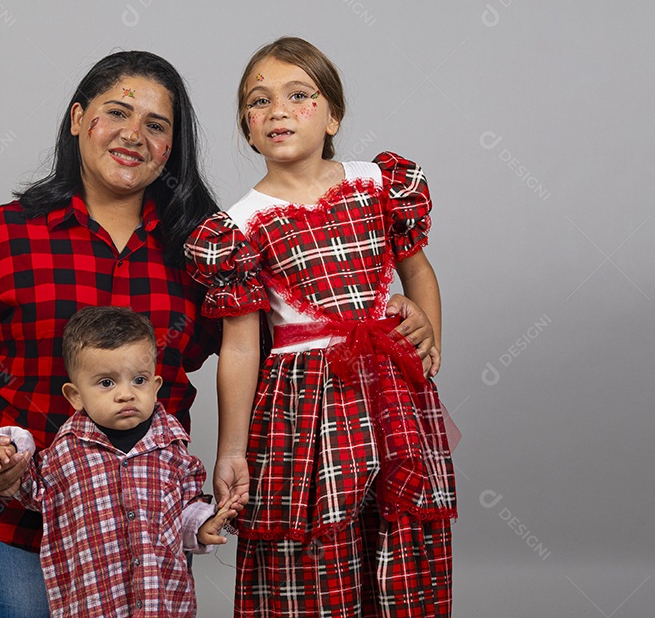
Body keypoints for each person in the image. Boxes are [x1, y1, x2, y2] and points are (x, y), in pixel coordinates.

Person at [0, 49, 437, 618]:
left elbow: (268, 346)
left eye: (155, 125)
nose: (132, 135)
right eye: (116, 112)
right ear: (76, 119)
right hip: (21, 526)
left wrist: (391, 314)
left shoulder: (198, 249)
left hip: (151, 535)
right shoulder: (4, 237)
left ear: (171, 149)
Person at [184, 37, 458, 617]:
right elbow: (238, 347)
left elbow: (417, 270)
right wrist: (232, 449)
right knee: (311, 547)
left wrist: (427, 327)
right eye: (258, 103)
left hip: (390, 395)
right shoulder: (239, 226)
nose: (277, 110)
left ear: (332, 115)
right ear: (248, 131)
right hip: (302, 406)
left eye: (298, 95)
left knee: (398, 531)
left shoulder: (381, 185)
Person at [0, 306, 241, 618]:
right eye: (106, 383)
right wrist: (8, 451)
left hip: (160, 601)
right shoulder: (66, 452)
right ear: (75, 395)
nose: (125, 394)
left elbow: (182, 508)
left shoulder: (173, 447)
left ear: (156, 386)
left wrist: (201, 526)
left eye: (139, 380)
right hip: (94, 602)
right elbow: (31, 489)